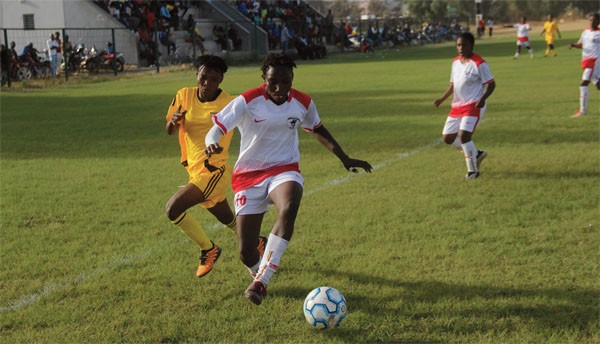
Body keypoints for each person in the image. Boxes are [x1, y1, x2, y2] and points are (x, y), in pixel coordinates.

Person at [204, 53, 372, 305]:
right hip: (248, 177)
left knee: (290, 204)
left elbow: (317, 129)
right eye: (273, 82)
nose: (280, 88)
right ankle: (257, 271)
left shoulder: (302, 102)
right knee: (245, 251)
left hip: (284, 169)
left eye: (286, 81)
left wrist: (344, 158)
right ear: (264, 78)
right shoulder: (247, 101)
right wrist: (211, 143)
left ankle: (261, 281)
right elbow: (216, 128)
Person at [164, 55, 267, 278]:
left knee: (173, 208)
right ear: (197, 76)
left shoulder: (230, 103)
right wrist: (173, 122)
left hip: (214, 171)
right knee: (224, 216)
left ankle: (208, 249)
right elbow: (169, 129)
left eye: (213, 80)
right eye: (203, 78)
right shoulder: (184, 95)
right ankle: (256, 241)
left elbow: (255, 120)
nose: (207, 84)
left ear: (220, 81)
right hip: (193, 169)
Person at [433, 32, 496, 180]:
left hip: (473, 104)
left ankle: (473, 172)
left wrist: (483, 98)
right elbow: (453, 85)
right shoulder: (455, 62)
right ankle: (476, 153)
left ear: (471, 45)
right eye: (458, 45)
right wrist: (442, 98)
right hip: (457, 106)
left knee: (464, 136)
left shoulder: (479, 63)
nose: (461, 48)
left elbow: (492, 85)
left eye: (464, 45)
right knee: (447, 138)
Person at [569, 12, 600, 118]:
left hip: (595, 61)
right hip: (587, 61)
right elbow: (581, 44)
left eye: (594, 20)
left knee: (583, 83)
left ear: (598, 21)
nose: (592, 21)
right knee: (598, 84)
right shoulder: (585, 32)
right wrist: (574, 45)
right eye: (590, 20)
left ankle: (582, 111)